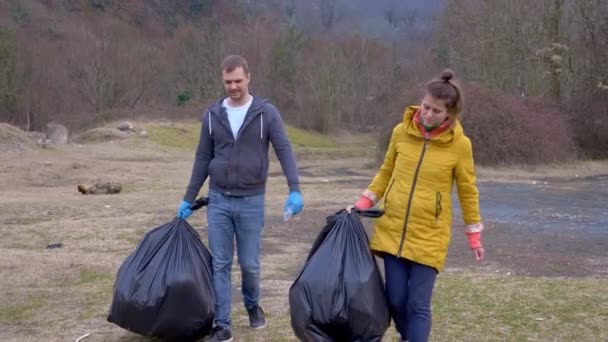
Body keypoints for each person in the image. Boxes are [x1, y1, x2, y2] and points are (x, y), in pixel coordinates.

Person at [348, 69, 485, 342]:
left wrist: (474, 233)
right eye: (425, 106)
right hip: (394, 229)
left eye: (436, 110)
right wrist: (365, 201)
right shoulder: (401, 132)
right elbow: (386, 172)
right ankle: (409, 336)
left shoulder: (460, 146)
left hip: (430, 235)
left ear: (450, 113)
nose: (428, 114)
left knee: (417, 305)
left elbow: (468, 191)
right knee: (395, 300)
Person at [177, 54, 303, 342]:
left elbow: (283, 148)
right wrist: (189, 197)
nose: (233, 86)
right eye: (227, 81)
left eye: (237, 80)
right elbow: (202, 157)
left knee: (249, 263)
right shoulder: (212, 115)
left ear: (249, 78)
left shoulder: (266, 113)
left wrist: (294, 188)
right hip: (219, 199)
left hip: (251, 201)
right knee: (220, 263)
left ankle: (252, 304)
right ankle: (223, 325)